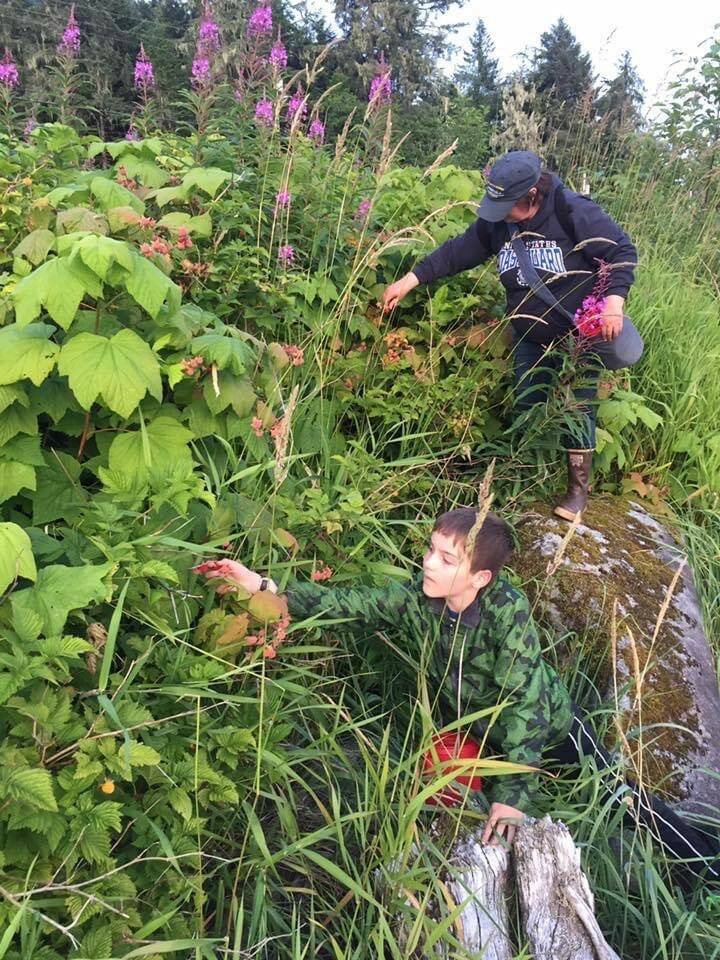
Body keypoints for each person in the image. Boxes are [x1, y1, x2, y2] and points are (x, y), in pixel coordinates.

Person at [194, 508, 719, 879]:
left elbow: (526, 705)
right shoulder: (419, 600)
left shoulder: (505, 613)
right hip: (478, 733)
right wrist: (262, 587)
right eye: (431, 549)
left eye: (446, 558)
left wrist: (513, 799)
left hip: (551, 729)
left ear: (481, 575)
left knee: (617, 797)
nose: (428, 563)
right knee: (466, 813)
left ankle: (699, 864)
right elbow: (347, 602)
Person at [381, 151, 645, 522]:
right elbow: (459, 250)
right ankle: (523, 479)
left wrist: (614, 304)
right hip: (530, 335)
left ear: (533, 196)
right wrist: (411, 280)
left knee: (577, 406)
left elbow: (621, 249)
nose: (499, 213)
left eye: (507, 206)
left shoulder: (570, 209)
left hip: (578, 336)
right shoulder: (497, 223)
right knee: (528, 401)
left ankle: (577, 492)